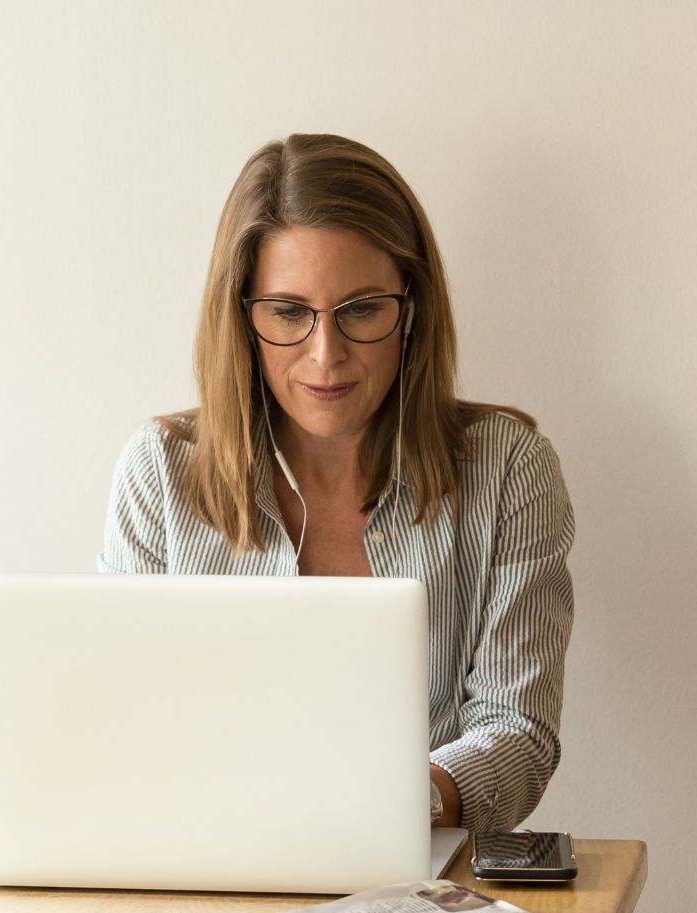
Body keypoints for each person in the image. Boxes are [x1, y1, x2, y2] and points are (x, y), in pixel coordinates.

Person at [97, 133, 574, 832]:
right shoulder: (160, 472)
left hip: (423, 880)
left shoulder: (508, 468)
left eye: (360, 310)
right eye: (289, 313)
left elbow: (519, 733)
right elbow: (122, 726)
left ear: (410, 307)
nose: (327, 356)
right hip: (205, 871)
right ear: (243, 318)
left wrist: (392, 806)